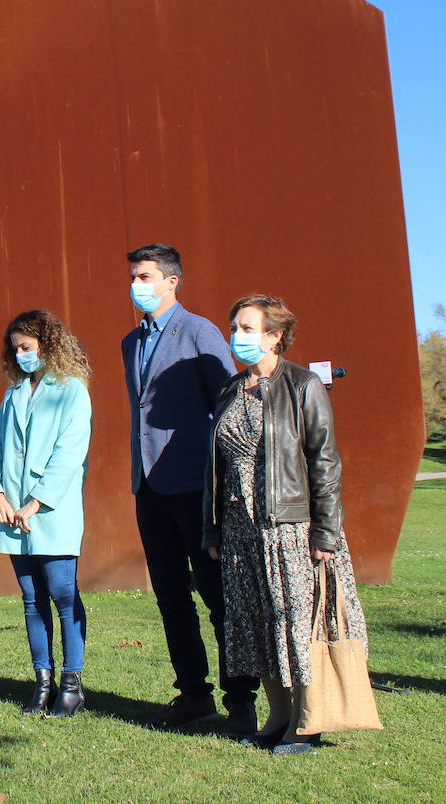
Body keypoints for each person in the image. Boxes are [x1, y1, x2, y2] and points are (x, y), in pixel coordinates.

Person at [204, 294, 368, 755]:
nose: (238, 337)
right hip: (239, 529)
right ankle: (277, 716)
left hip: (289, 527)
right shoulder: (229, 391)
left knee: (294, 622)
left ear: (276, 336)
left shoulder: (303, 385)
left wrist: (326, 532)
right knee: (254, 624)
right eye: (235, 327)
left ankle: (306, 720)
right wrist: (212, 527)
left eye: (249, 328)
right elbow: (214, 467)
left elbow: (325, 462)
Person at [120, 243, 259, 735]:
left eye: (146, 276)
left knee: (218, 596)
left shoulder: (199, 331)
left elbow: (228, 404)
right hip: (149, 487)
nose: (137, 284)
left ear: (171, 281)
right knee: (170, 596)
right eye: (134, 276)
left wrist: (220, 485)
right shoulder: (130, 342)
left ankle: (241, 699)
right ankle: (193, 695)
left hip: (196, 488)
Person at [0, 310, 93, 717]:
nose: (20, 355)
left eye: (26, 347)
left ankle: (72, 684)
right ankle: (42, 681)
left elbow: (70, 454)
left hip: (52, 512)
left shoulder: (71, 390)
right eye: (16, 349)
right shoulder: (12, 393)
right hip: (13, 514)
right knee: (32, 600)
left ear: (47, 345)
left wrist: (37, 501)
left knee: (63, 595)